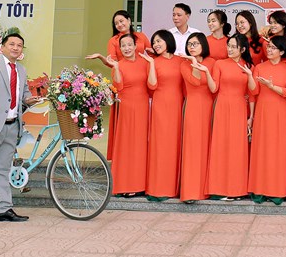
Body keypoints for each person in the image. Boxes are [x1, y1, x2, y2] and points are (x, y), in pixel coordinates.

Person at [0, 33, 42, 225]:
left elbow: (23, 95)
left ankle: (3, 209)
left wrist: (29, 100)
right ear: (2, 47)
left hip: (12, 127)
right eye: (12, 44)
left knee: (3, 170)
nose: (15, 48)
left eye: (19, 45)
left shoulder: (21, 69)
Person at [90, 33, 151, 197]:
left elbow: (151, 85)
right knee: (126, 145)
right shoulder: (119, 65)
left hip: (143, 107)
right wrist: (116, 67)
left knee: (141, 145)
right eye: (123, 46)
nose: (127, 48)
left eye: (129, 44)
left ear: (136, 46)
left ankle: (141, 184)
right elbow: (119, 86)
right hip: (126, 107)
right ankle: (125, 184)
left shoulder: (145, 62)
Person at [207, 34, 256, 200]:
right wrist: (206, 72)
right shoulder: (219, 64)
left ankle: (237, 190)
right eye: (228, 46)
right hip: (222, 106)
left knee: (237, 148)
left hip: (240, 108)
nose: (230, 49)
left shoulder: (249, 66)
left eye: (233, 47)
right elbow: (214, 88)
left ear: (242, 49)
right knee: (220, 145)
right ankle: (218, 189)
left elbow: (253, 92)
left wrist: (251, 117)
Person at [248, 36, 286, 204]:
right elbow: (253, 92)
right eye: (268, 47)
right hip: (263, 111)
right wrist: (250, 76)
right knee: (262, 150)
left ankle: (277, 190)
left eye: (273, 48)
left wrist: (271, 86)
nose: (269, 50)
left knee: (279, 150)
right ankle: (259, 189)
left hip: (281, 113)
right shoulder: (259, 67)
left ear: (282, 52)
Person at [143, 30, 184, 201]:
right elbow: (152, 85)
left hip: (178, 106)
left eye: (159, 41)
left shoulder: (181, 61)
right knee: (160, 146)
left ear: (168, 41)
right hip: (160, 106)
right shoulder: (153, 62)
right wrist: (152, 63)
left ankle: (175, 187)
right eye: (154, 42)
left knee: (175, 145)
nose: (156, 44)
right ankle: (159, 187)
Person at [178, 32, 216, 203]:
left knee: (207, 147)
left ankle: (207, 189)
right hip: (192, 107)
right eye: (189, 44)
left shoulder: (213, 63)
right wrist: (193, 62)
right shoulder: (184, 64)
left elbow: (214, 86)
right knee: (192, 147)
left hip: (209, 107)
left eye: (195, 44)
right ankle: (190, 191)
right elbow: (195, 81)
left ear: (203, 45)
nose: (191, 47)